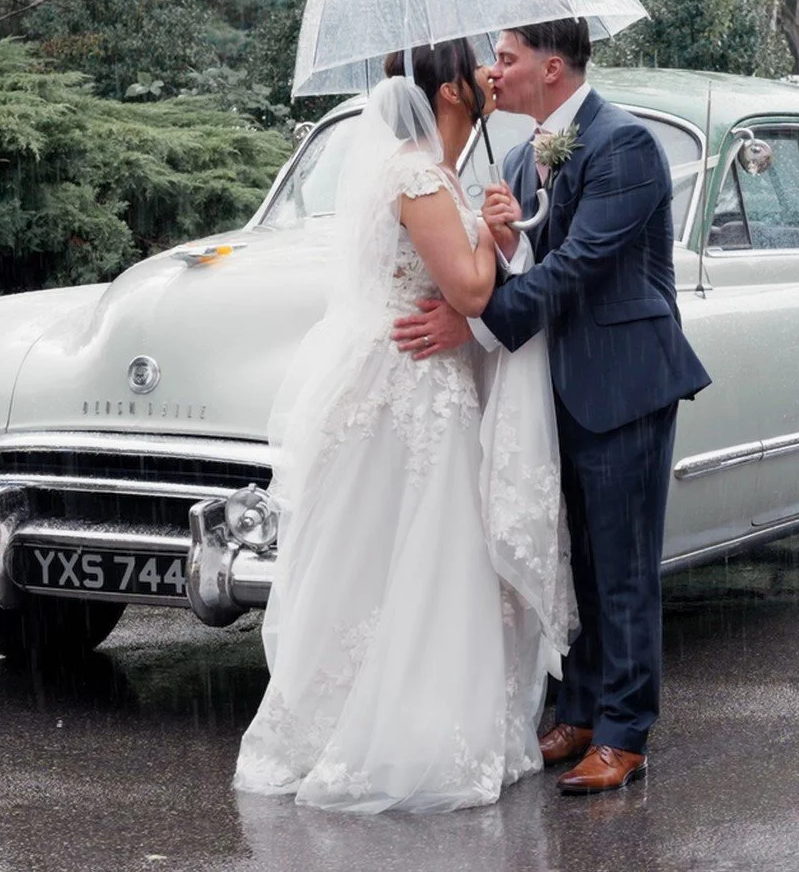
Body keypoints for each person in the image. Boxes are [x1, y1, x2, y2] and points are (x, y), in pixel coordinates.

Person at [233, 40, 576, 814]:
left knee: (401, 561)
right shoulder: (420, 176)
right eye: (482, 66)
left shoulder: (436, 173)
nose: (495, 74)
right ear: (451, 89)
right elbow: (469, 290)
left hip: (420, 382)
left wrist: (491, 225)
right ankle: (396, 732)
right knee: (419, 554)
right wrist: (493, 239)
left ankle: (402, 710)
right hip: (413, 389)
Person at [394, 18, 712, 795]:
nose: (494, 72)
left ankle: (625, 731)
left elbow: (576, 267)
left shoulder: (626, 146)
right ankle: (577, 706)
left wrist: (475, 318)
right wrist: (487, 264)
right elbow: (521, 264)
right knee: (574, 560)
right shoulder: (517, 156)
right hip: (548, 389)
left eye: (507, 59)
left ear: (554, 66)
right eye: (492, 62)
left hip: (622, 380)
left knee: (624, 564)